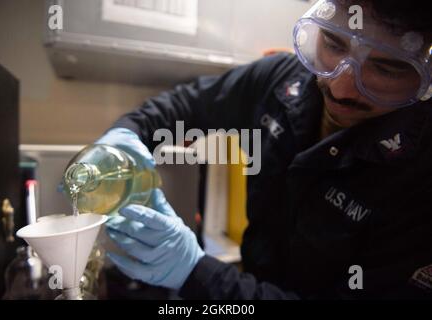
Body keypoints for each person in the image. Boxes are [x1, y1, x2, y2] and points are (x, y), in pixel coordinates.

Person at [99, 0, 432, 299]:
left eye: (386, 68)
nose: (341, 87)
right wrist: (124, 137)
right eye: (333, 43)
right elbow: (184, 105)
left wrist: (195, 271)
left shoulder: (419, 175)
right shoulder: (279, 80)